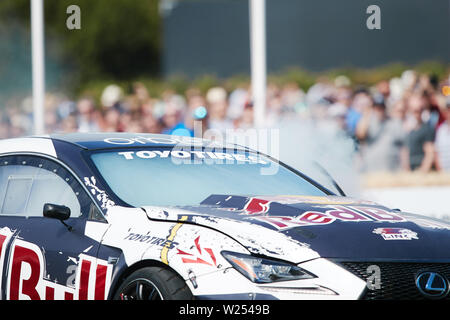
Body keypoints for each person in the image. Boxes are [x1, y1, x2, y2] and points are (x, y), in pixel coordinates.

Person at [404, 93, 436, 172]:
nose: (417, 113)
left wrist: (422, 173)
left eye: (419, 110)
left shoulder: (427, 129)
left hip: (420, 171)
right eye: (414, 110)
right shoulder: (407, 129)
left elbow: (430, 154)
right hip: (409, 170)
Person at [435, 98, 450, 171]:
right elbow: (436, 152)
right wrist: (440, 171)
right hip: (444, 173)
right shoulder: (441, 130)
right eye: (448, 110)